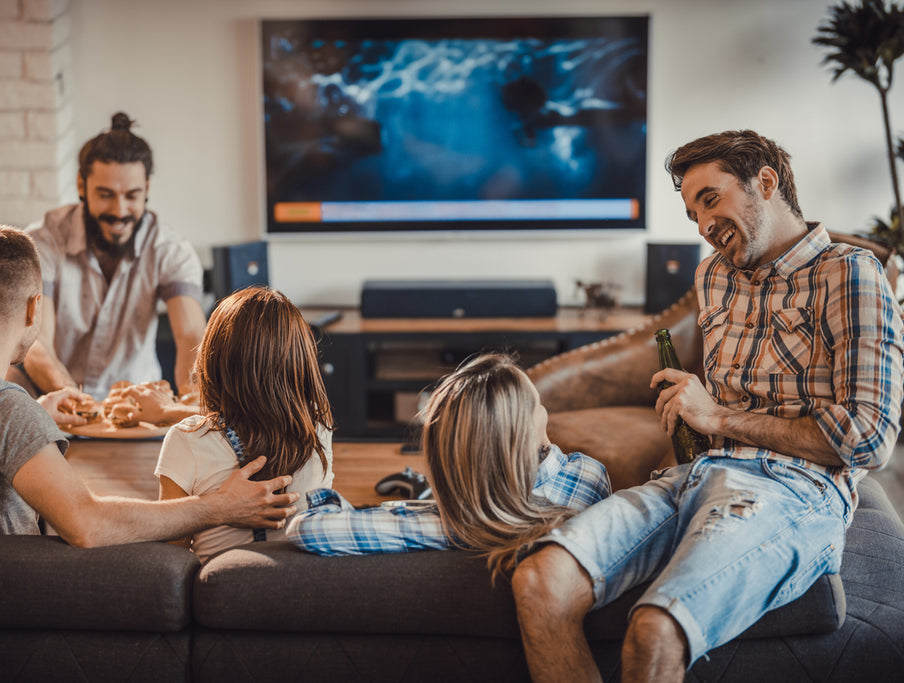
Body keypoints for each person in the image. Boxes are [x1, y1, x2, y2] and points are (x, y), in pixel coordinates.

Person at [510, 130, 904, 682]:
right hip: (696, 475)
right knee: (538, 582)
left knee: (654, 629)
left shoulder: (850, 274)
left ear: (765, 183)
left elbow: (870, 438)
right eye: (693, 212)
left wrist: (716, 416)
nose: (701, 225)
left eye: (710, 199)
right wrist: (693, 405)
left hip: (794, 489)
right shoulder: (712, 277)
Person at [0, 223, 297, 546]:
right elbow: (88, 525)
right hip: (5, 612)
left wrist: (37, 411)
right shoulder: (8, 411)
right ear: (35, 308)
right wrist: (220, 507)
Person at [287, 353, 612, 581]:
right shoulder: (589, 477)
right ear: (528, 430)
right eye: (539, 403)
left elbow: (307, 528)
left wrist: (436, 512)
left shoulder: (448, 526)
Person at [19, 112, 206, 401]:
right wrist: (73, 398)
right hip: (57, 402)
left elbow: (192, 337)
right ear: (81, 187)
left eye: (132, 196)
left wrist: (193, 408)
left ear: (147, 191)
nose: (119, 211)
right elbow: (36, 341)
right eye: (105, 194)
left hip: (141, 409)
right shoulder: (43, 242)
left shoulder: (171, 251)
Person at [154, 286, 334, 561]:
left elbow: (171, 555)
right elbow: (261, 412)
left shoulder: (185, 439)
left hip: (220, 588)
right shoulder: (319, 427)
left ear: (214, 361)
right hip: (307, 588)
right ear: (301, 361)